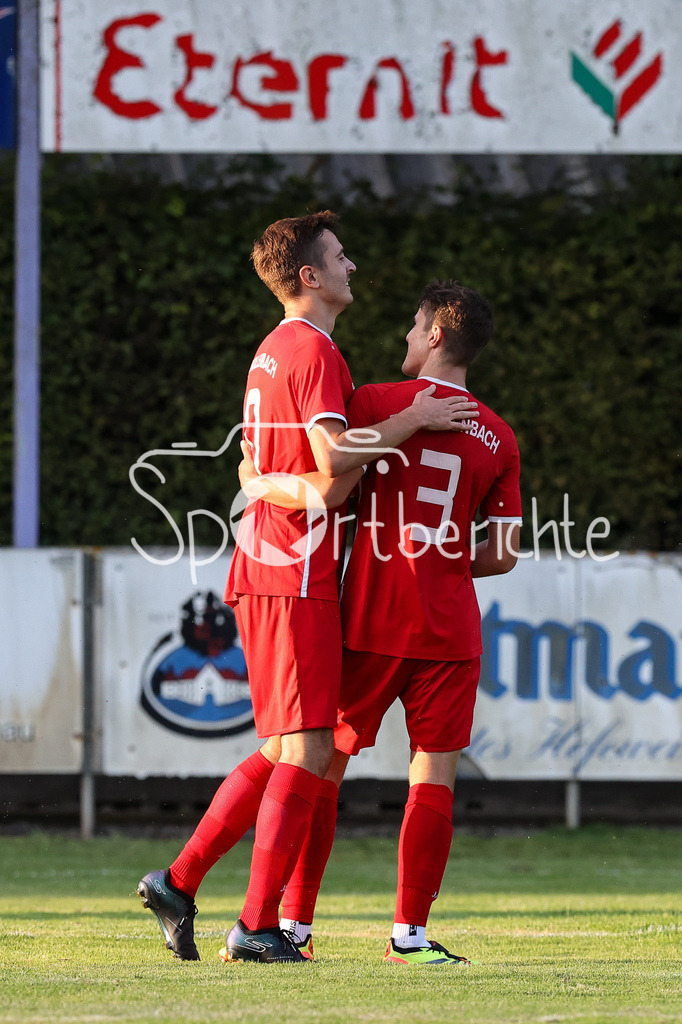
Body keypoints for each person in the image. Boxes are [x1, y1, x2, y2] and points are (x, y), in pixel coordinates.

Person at [137, 215, 477, 963]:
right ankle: (253, 924)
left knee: (293, 746)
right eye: (340, 256)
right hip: (292, 569)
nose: (352, 265)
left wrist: (270, 482)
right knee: (306, 747)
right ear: (310, 276)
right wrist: (416, 415)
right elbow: (330, 460)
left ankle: (183, 883)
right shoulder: (315, 349)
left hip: (283, 563)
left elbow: (296, 468)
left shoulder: (274, 348)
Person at [243, 280, 522, 964]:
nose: (405, 335)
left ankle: (294, 924)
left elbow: (326, 474)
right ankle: (409, 935)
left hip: (368, 622)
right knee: (433, 778)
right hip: (449, 631)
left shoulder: (372, 403)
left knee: (318, 769)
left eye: (414, 326)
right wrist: (446, 563)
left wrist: (256, 480)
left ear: (435, 336)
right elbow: (503, 554)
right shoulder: (500, 436)